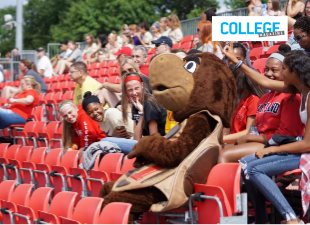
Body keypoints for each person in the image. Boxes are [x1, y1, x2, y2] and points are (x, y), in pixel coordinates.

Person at [224, 44, 310, 223]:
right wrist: (237, 62)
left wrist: (271, 150)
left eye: (284, 69)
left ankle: (291, 218)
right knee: (245, 163)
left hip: (305, 153)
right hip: (298, 149)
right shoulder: (297, 89)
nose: (282, 73)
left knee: (253, 168)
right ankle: (262, 220)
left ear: (296, 72)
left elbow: (307, 144)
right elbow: (263, 82)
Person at [218, 45, 304, 163]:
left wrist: (250, 138)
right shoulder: (264, 98)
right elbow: (255, 129)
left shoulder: (292, 97)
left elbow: (287, 136)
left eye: (274, 70)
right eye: (266, 69)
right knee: (215, 151)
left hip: (277, 146)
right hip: (259, 142)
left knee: (224, 155)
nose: (268, 73)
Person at [223, 64, 265, 144]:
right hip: (230, 141)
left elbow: (248, 132)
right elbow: (227, 128)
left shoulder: (253, 100)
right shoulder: (233, 100)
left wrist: (222, 139)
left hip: (242, 142)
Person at [121, 72, 167, 141]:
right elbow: (136, 138)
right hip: (146, 142)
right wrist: (141, 114)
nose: (134, 93)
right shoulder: (136, 105)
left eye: (136, 88)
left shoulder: (149, 104)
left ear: (142, 85)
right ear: (126, 92)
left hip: (159, 143)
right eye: (130, 90)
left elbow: (154, 138)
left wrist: (142, 112)